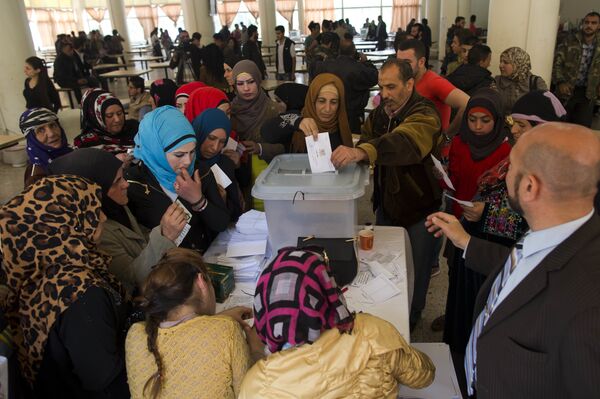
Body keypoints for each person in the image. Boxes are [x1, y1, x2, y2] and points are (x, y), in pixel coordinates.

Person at [426, 122, 600, 398]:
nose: (502, 175)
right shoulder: (555, 230)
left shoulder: (588, 307)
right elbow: (527, 266)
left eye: (510, 168)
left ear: (529, 187)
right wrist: (465, 242)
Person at [330, 58, 442, 330]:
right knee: (384, 267)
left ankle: (412, 318)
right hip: (387, 205)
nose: (385, 94)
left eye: (391, 87)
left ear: (410, 84)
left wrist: (363, 152)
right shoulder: (380, 113)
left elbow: (406, 143)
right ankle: (388, 314)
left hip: (420, 209)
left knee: (417, 269)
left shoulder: (425, 114)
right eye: (381, 87)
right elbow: (368, 138)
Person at [238, 247, 435, 398]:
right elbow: (424, 376)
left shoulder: (256, 384)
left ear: (263, 306)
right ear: (328, 289)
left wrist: (257, 356)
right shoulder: (371, 332)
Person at [0, 175, 130, 398]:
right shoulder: (80, 293)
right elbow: (106, 382)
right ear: (64, 222)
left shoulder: (41, 268)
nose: (103, 217)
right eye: (92, 210)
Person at [126, 248, 264, 399]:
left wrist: (219, 318)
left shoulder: (135, 334)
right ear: (201, 282)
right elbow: (251, 393)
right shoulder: (227, 330)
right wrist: (256, 349)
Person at [48, 148, 186, 294]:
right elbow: (132, 277)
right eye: (117, 181)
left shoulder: (113, 205)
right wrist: (164, 235)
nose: (126, 184)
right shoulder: (96, 233)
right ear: (95, 191)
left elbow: (139, 236)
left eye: (123, 176)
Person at [437, 89, 511, 357]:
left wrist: (486, 210)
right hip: (458, 218)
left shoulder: (506, 151)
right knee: (454, 269)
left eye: (485, 120)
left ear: (497, 121)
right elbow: (456, 178)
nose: (478, 127)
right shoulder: (459, 143)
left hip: (486, 231)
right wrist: (443, 176)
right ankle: (453, 317)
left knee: (477, 279)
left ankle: (473, 329)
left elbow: (508, 201)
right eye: (472, 119)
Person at [126, 106, 231, 252]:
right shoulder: (133, 184)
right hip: (168, 268)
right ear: (156, 150)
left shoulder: (199, 171)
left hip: (205, 257)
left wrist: (199, 201)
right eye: (179, 155)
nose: (188, 161)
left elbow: (221, 223)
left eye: (192, 152)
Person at [397, 39, 470, 136]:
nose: (401, 67)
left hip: (434, 149)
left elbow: (467, 103)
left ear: (421, 62)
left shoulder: (433, 82)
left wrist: (448, 135)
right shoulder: (407, 81)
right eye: (398, 62)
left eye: (407, 62)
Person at [192, 108, 244, 221]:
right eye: (211, 138)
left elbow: (237, 212)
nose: (215, 147)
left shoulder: (225, 164)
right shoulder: (185, 165)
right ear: (199, 132)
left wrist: (223, 202)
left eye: (222, 142)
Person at [316, 41, 378, 132]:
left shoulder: (327, 65)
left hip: (329, 112)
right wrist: (366, 62)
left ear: (339, 51)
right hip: (352, 114)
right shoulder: (359, 68)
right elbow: (375, 77)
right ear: (354, 51)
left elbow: (313, 69)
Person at [552, 11, 600, 127]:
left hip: (588, 93)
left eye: (593, 23)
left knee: (582, 128)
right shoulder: (570, 40)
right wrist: (560, 82)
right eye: (587, 22)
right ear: (583, 23)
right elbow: (557, 62)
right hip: (567, 90)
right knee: (560, 125)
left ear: (599, 26)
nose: (589, 25)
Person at [290, 73, 353, 153]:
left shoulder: (343, 126)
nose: (327, 109)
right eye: (321, 101)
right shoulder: (297, 124)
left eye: (333, 102)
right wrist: (296, 122)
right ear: (312, 101)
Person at [74, 88, 139, 156]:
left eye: (120, 113)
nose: (117, 119)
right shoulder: (86, 143)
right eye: (109, 115)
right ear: (97, 118)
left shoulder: (135, 128)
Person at [18, 107, 71, 187]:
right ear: (32, 138)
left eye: (53, 125)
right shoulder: (36, 177)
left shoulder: (74, 152)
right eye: (41, 130)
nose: (51, 134)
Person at [495, 47, 547, 115]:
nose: (500, 65)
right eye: (500, 62)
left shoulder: (536, 83)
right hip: (503, 124)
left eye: (506, 62)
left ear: (518, 64)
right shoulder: (497, 81)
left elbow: (545, 108)